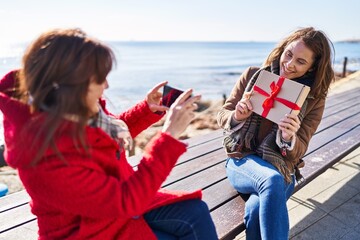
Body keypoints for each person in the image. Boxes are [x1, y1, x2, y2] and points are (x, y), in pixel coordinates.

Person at [0, 28, 218, 239]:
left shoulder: (71, 110)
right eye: (100, 78)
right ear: (72, 84)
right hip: (91, 230)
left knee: (194, 211)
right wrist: (168, 137)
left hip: (115, 213)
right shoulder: (44, 157)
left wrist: (145, 110)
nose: (107, 84)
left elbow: (106, 140)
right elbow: (126, 201)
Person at [217, 27, 335, 240]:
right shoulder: (254, 75)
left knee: (255, 210)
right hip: (242, 160)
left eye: (301, 61)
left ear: (312, 67)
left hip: (283, 167)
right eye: (289, 54)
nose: (289, 65)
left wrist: (289, 137)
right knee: (270, 181)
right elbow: (222, 114)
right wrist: (237, 116)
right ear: (282, 49)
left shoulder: (314, 100)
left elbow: (300, 149)